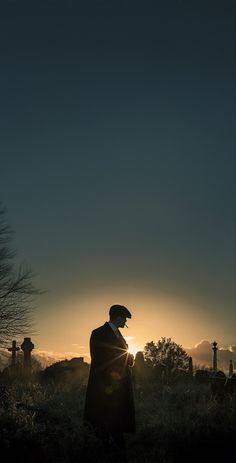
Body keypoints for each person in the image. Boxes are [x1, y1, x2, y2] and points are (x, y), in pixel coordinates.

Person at [83, 304, 136, 459]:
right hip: (103, 385)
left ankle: (117, 448)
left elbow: (122, 356)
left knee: (117, 418)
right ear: (118, 317)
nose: (125, 322)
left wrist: (129, 359)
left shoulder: (120, 336)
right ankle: (103, 449)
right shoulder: (98, 333)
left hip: (119, 387)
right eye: (124, 319)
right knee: (102, 418)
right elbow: (99, 358)